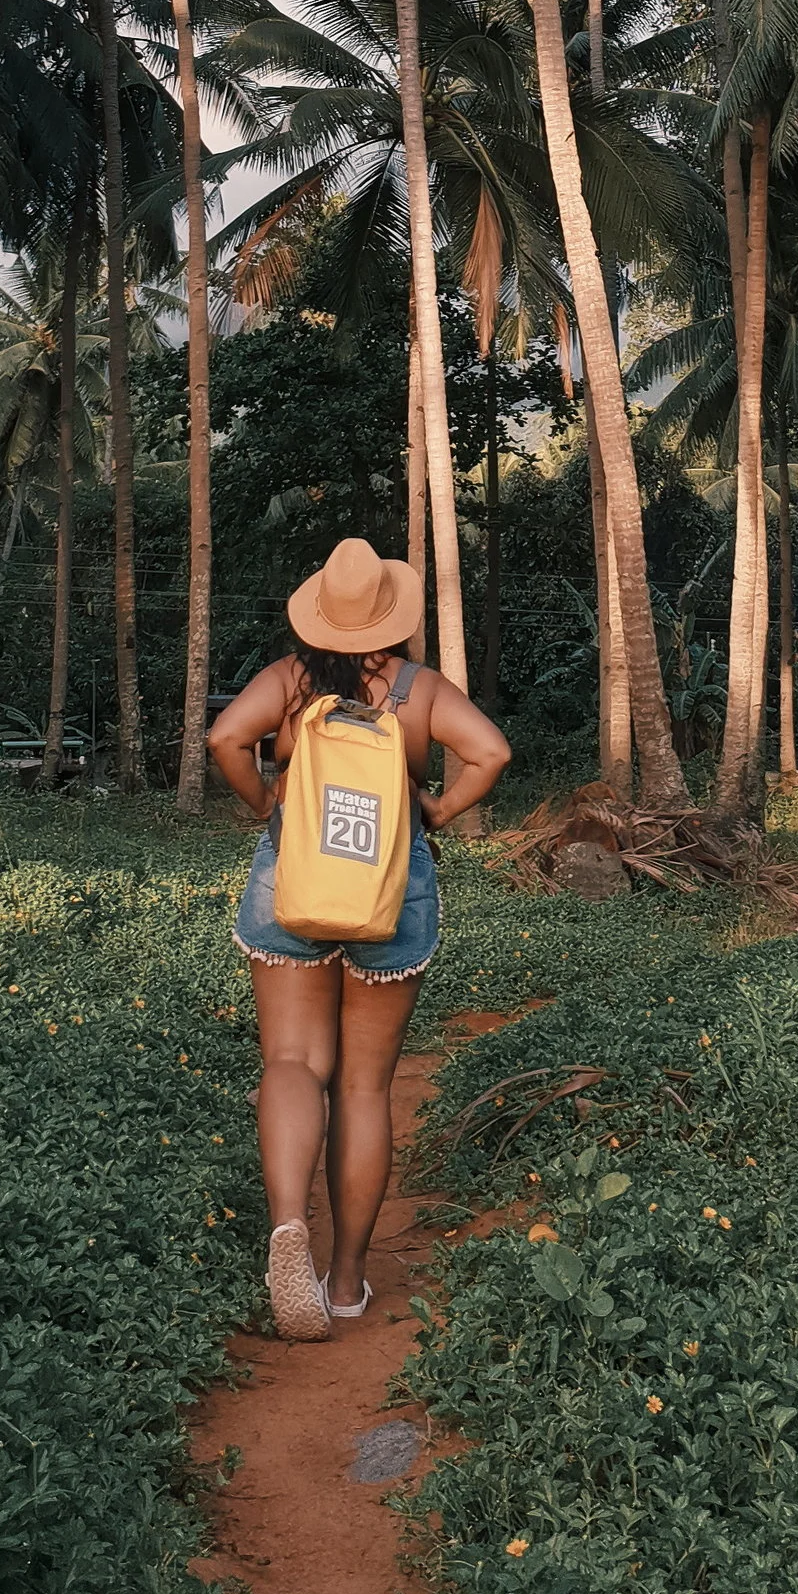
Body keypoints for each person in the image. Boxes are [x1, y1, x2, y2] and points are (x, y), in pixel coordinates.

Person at [207, 533, 512, 1340]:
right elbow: (491, 751)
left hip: (294, 884)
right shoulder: (419, 690)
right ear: (391, 616)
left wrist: (265, 804)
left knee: (291, 1062)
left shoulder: (288, 680)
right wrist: (437, 812)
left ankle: (286, 1226)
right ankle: (345, 1283)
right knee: (365, 1087)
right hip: (390, 888)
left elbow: (224, 740)